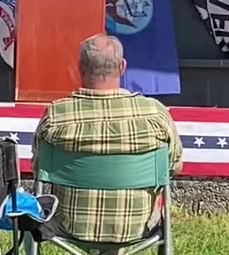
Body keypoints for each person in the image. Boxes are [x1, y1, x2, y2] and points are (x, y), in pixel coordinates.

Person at [32, 34, 183, 249]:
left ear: (80, 68)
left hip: (70, 225)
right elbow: (173, 166)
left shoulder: (56, 115)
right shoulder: (155, 114)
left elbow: (39, 168)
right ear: (122, 67)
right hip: (136, 226)